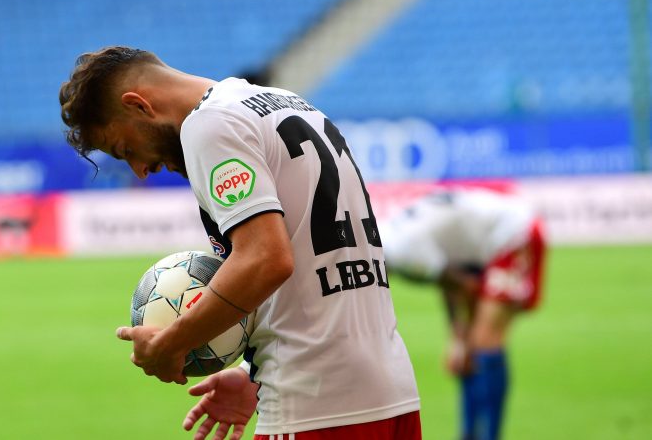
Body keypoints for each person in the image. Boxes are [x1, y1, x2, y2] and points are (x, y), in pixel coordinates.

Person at [59, 47, 421, 440]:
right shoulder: (285, 103)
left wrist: (171, 345)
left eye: (126, 150)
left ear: (139, 105)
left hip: (313, 404)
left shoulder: (208, 125)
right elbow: (315, 268)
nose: (141, 170)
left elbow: (265, 260)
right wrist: (253, 377)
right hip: (390, 393)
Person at [379, 188, 546, 440]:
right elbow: (451, 283)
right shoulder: (391, 234)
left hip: (513, 235)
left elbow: (465, 287)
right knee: (474, 347)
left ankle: (487, 434)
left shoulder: (402, 255)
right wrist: (459, 338)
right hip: (486, 244)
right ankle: (471, 433)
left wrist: (462, 340)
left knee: (485, 340)